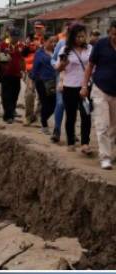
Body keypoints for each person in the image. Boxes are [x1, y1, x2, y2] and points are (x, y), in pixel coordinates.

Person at [82, 20, 116, 169]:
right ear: (109, 32)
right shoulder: (101, 45)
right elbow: (90, 66)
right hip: (100, 89)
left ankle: (111, 154)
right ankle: (105, 157)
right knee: (102, 124)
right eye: (115, 34)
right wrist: (84, 86)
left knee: (114, 127)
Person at [57, 23, 92, 154]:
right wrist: (63, 64)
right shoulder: (65, 49)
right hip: (69, 86)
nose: (81, 39)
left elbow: (93, 66)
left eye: (83, 36)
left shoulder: (90, 49)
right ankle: (71, 142)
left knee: (86, 115)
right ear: (72, 37)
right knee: (71, 115)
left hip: (85, 87)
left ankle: (85, 143)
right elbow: (59, 68)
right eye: (78, 36)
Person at [31, 35, 58, 134]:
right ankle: (44, 125)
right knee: (45, 103)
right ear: (45, 41)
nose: (53, 44)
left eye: (54, 42)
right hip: (42, 82)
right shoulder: (39, 53)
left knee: (54, 104)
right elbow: (35, 68)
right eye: (51, 41)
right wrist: (32, 82)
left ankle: (42, 119)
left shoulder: (56, 53)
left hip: (54, 82)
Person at [22, 22, 46, 125]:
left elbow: (51, 52)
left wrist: (40, 46)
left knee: (43, 95)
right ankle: (28, 116)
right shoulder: (30, 38)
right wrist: (27, 45)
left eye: (40, 28)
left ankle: (37, 116)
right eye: (36, 28)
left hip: (44, 71)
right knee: (29, 94)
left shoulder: (47, 39)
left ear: (44, 28)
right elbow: (23, 53)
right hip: (31, 70)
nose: (38, 30)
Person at [0, 29, 24, 124]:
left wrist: (23, 70)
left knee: (15, 94)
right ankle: (7, 115)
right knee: (6, 95)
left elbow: (22, 58)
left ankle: (12, 111)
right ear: (10, 36)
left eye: (17, 37)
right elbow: (0, 56)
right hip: (6, 74)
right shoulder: (3, 45)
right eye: (13, 36)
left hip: (17, 74)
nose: (15, 38)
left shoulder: (20, 45)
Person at [51, 23, 70, 144]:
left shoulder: (85, 47)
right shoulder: (62, 43)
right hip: (62, 77)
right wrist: (57, 66)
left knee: (72, 106)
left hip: (76, 79)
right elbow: (53, 59)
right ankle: (56, 130)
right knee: (60, 103)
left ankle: (70, 132)